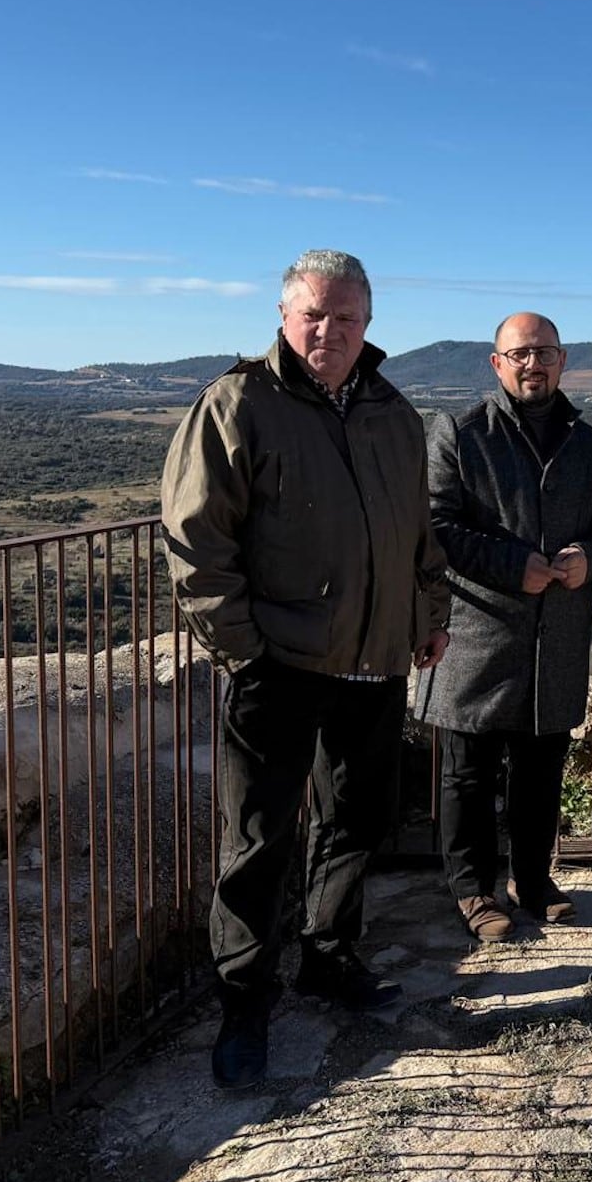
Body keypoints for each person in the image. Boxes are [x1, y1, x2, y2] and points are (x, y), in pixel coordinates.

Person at [161, 249, 450, 1089]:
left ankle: (329, 959)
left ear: (369, 324)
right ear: (285, 315)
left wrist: (425, 618)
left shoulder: (393, 412)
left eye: (347, 318)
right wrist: (240, 651)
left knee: (355, 823)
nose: (330, 330)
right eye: (314, 315)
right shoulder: (239, 403)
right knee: (258, 840)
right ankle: (244, 1007)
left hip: (374, 659)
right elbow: (195, 539)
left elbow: (417, 536)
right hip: (276, 664)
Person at [425, 311, 592, 942]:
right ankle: (473, 892)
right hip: (477, 635)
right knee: (468, 771)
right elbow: (437, 526)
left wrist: (586, 560)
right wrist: (517, 565)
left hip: (556, 636)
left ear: (562, 360)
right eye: (518, 354)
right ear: (497, 364)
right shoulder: (460, 431)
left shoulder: (590, 443)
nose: (532, 364)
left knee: (541, 770)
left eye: (543, 353)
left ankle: (534, 881)